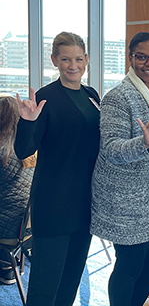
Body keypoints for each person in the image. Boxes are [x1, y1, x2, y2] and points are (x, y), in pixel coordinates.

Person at [14, 32, 100, 305]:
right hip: (54, 204)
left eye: (78, 59)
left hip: (85, 205)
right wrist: (27, 121)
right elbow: (23, 150)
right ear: (54, 60)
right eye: (65, 59)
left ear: (86, 60)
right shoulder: (45, 98)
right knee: (44, 287)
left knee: (70, 282)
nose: (72, 65)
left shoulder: (91, 96)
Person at [91, 32, 149, 306]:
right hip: (127, 200)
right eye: (141, 56)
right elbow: (112, 150)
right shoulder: (118, 97)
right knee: (130, 266)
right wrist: (144, 142)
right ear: (131, 58)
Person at [0, 95, 35, 285]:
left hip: (7, 229)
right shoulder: (30, 149)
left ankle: (6, 265)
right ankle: (8, 267)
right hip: (28, 227)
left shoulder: (2, 152)